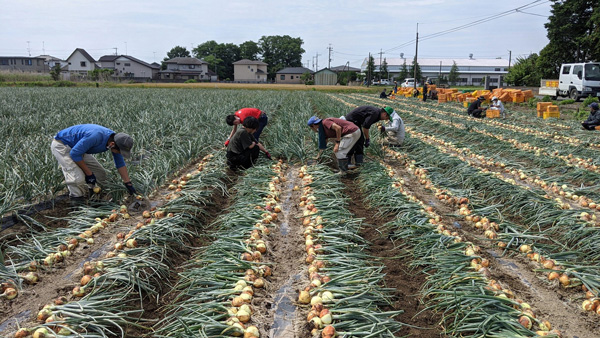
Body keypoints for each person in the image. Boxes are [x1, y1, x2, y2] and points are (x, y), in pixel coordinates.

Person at [51, 124, 137, 203]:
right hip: (63, 145)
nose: (119, 153)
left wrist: (127, 182)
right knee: (77, 179)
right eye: (120, 151)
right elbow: (74, 154)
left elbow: (120, 163)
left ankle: (93, 197)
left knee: (100, 174)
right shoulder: (96, 136)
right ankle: (77, 204)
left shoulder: (116, 141)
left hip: (79, 148)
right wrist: (89, 173)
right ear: (112, 144)